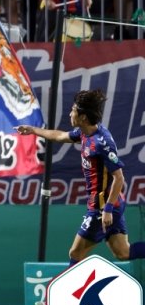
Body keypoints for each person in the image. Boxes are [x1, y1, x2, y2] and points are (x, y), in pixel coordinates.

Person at [15, 90, 145, 269]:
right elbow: (60, 136)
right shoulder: (84, 132)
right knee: (123, 253)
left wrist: (106, 209)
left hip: (103, 207)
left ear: (83, 117)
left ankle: (62, 296)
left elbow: (119, 178)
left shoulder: (102, 143)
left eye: (73, 110)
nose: (70, 113)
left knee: (75, 253)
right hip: (111, 204)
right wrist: (33, 130)